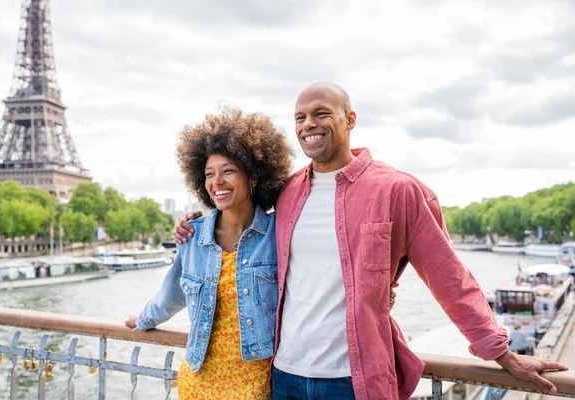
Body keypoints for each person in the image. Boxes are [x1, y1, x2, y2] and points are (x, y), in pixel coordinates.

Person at [174, 82, 568, 400]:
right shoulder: (286, 192)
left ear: (350, 119)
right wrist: (195, 225)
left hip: (354, 382)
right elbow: (239, 221)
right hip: (283, 377)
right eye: (300, 117)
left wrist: (502, 355)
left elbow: (451, 280)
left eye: (321, 113)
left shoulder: (399, 191)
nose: (308, 124)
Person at [126, 108, 293, 399]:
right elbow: (172, 294)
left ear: (253, 176)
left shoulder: (278, 233)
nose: (217, 182)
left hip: (255, 382)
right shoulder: (192, 237)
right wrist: (142, 320)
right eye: (209, 174)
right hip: (198, 381)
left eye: (228, 170)